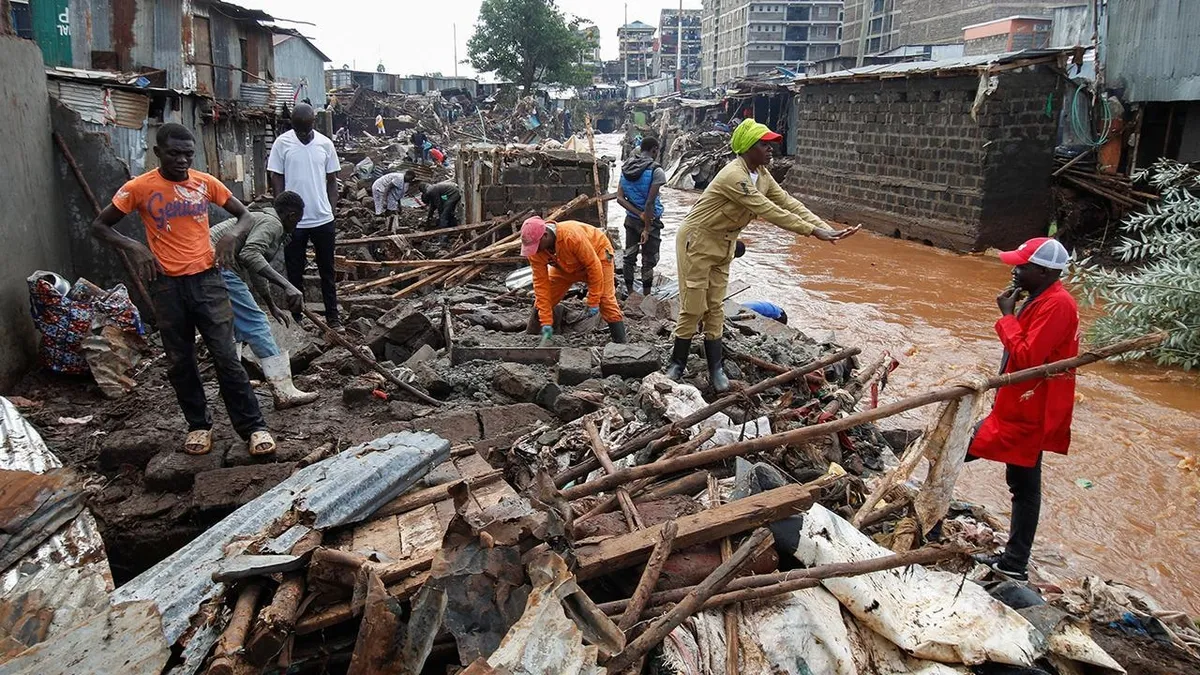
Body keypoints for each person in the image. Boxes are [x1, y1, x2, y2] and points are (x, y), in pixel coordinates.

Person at [91, 123, 276, 457]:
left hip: (208, 280)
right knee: (180, 360)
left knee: (226, 356)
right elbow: (100, 226)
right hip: (166, 285)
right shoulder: (139, 187)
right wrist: (135, 247)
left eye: (188, 154)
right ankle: (199, 426)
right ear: (158, 152)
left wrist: (233, 235)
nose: (181, 160)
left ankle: (254, 427)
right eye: (174, 153)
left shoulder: (205, 183)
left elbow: (245, 215)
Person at [666, 119, 859, 392]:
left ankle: (716, 369)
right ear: (747, 148)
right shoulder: (735, 176)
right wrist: (813, 231)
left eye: (771, 144)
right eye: (764, 144)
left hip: (724, 244)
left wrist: (825, 228)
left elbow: (788, 203)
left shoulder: (763, 176)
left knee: (716, 306)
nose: (771, 149)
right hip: (697, 241)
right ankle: (677, 363)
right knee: (694, 305)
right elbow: (769, 211)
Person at [968, 237, 1079, 582]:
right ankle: (1014, 562)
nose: (1015, 271)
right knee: (1022, 481)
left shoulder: (1057, 305)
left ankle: (1015, 563)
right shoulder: (1041, 298)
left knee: (963, 450)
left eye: (1023, 266)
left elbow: (1030, 358)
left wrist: (1006, 317)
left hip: (1031, 405)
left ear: (1045, 272)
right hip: (1021, 401)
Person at [208, 191, 319, 410]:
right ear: (291, 214)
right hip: (217, 265)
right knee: (256, 322)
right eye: (297, 220)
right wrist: (287, 285)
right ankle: (284, 391)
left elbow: (254, 267)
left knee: (235, 328)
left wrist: (271, 304)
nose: (296, 226)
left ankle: (231, 384)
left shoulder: (263, 219)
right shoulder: (272, 224)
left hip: (209, 264)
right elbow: (251, 255)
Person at [268, 103, 342, 327]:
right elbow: (276, 178)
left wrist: (331, 208)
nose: (302, 133)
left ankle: (333, 317)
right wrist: (281, 212)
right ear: (292, 124)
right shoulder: (282, 143)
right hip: (293, 223)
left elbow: (332, 181)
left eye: (306, 128)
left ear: (314, 123)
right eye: (298, 128)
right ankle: (297, 317)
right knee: (294, 271)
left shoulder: (325, 144)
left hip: (322, 219)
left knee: (327, 271)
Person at [520, 216, 626, 346]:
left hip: (598, 255)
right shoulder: (537, 252)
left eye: (536, 246)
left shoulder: (571, 236)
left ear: (545, 235)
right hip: (565, 265)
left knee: (605, 299)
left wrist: (593, 300)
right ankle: (532, 338)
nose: (534, 250)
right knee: (545, 299)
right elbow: (540, 285)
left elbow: (594, 267)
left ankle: (621, 344)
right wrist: (546, 321)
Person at [616, 136, 666, 297]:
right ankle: (646, 295)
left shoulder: (626, 168)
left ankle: (630, 293)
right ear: (654, 150)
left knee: (629, 256)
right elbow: (650, 203)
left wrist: (638, 213)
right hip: (650, 221)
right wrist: (646, 227)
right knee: (649, 259)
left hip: (630, 219)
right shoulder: (656, 171)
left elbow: (620, 198)